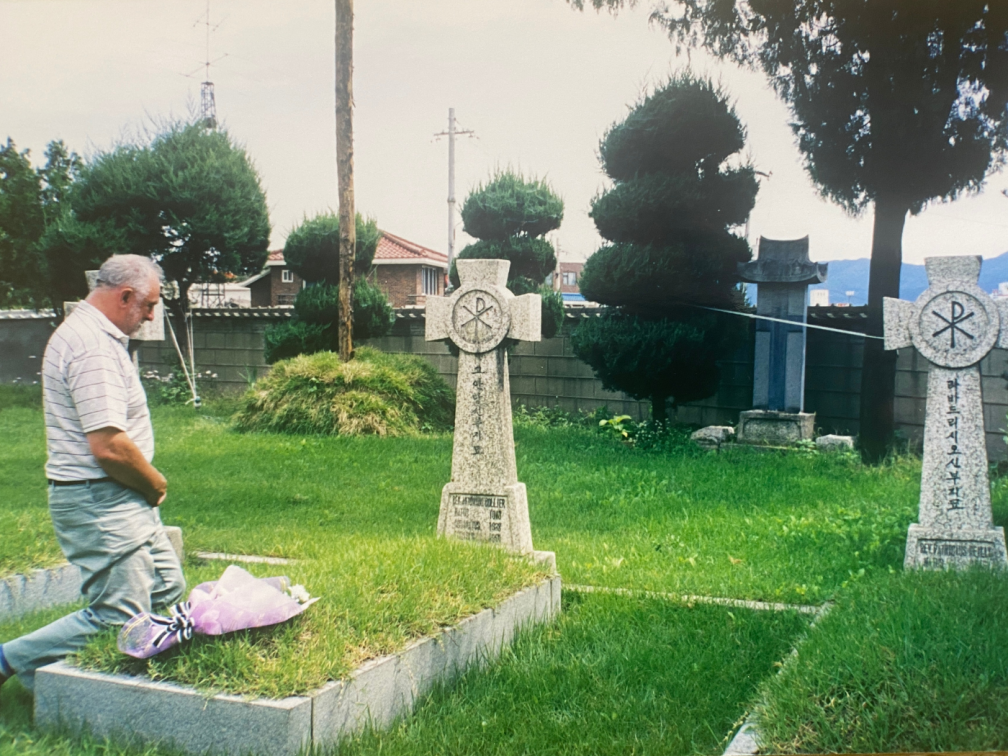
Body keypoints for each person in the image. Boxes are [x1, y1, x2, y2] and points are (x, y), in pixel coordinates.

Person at [0, 255, 185, 693]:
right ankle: (10, 661)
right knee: (118, 618)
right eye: (148, 305)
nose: (150, 316)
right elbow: (109, 447)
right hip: (100, 497)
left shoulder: (94, 336)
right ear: (124, 296)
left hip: (116, 496)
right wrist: (155, 483)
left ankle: (111, 680)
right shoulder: (92, 347)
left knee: (165, 587)